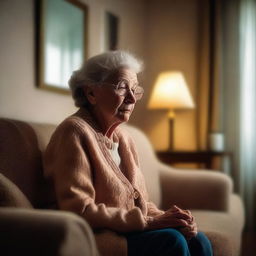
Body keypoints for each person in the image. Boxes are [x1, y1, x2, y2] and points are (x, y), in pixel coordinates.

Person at [43, 50, 213, 256]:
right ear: (91, 93)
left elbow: (138, 205)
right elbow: (80, 210)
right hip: (96, 235)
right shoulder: (74, 131)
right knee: (172, 241)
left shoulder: (125, 139)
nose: (132, 98)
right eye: (122, 87)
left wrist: (172, 219)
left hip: (127, 231)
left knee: (197, 239)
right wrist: (150, 222)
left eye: (135, 89)